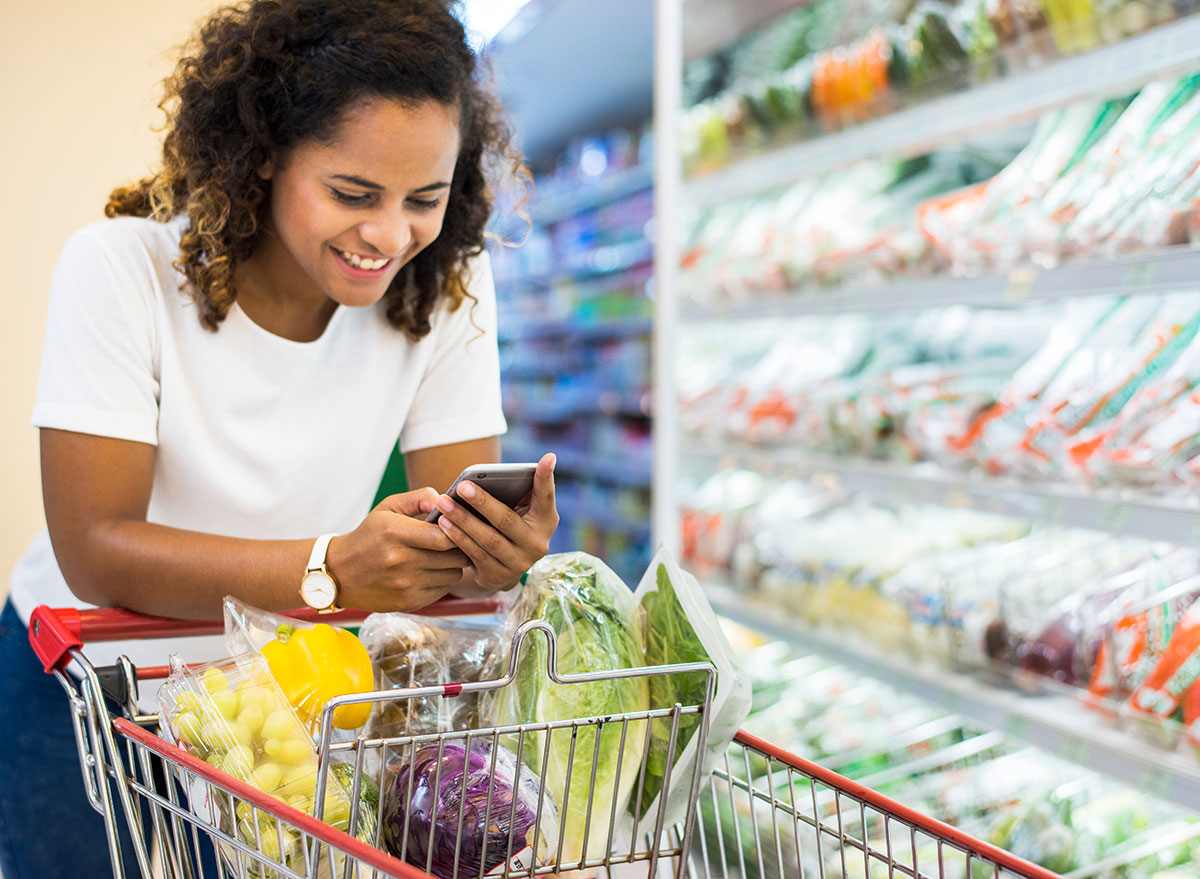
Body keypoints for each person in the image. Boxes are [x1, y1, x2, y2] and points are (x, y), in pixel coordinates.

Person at [0, 1, 557, 875]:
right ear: (264, 155)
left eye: (426, 199)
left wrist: (493, 549)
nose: (389, 235)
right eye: (352, 194)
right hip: (91, 688)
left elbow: (459, 526)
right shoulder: (120, 268)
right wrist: (332, 568)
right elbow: (95, 547)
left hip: (286, 692)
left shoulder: (447, 283)